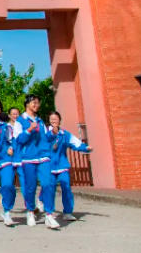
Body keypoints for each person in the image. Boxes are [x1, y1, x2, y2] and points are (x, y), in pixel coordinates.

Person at [13, 95, 55, 228]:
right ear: (27, 104)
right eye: (34, 102)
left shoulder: (40, 120)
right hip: (28, 158)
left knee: (48, 184)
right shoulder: (20, 121)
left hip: (43, 156)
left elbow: (45, 137)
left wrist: (53, 132)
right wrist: (29, 130)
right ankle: (30, 211)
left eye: (38, 103)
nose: (36, 105)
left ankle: (49, 215)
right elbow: (19, 140)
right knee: (30, 187)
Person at [48, 111, 92, 225]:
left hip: (62, 165)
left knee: (66, 187)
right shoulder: (46, 134)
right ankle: (49, 212)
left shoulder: (65, 134)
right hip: (48, 166)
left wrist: (85, 148)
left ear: (59, 120)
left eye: (55, 119)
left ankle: (68, 212)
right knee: (50, 189)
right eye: (51, 119)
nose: (53, 121)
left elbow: (76, 143)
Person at [7, 106, 22, 209]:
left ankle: (30, 207)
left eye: (17, 114)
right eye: (13, 114)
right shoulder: (5, 127)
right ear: (9, 115)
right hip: (9, 157)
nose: (15, 116)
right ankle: (8, 199)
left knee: (25, 182)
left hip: (21, 157)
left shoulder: (22, 126)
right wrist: (8, 149)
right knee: (9, 182)